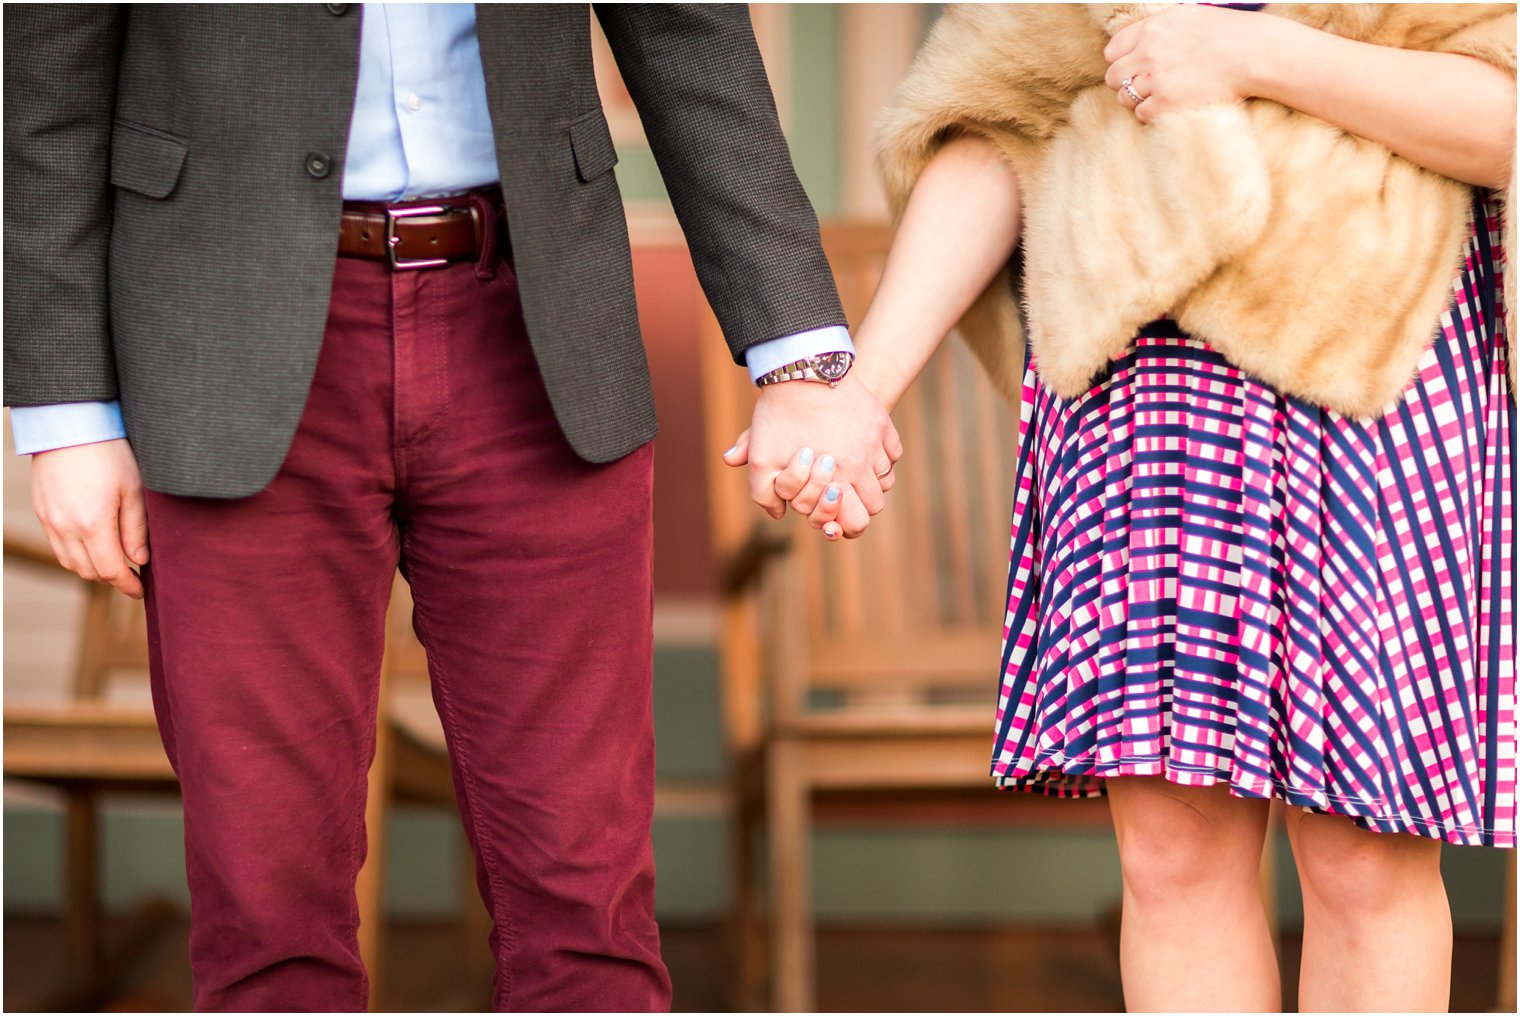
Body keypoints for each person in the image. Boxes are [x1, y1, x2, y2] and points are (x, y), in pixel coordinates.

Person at [4, 5, 900, 1011]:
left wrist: (798, 355)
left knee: (586, 894)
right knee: (266, 912)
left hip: (537, 327)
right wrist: (67, 410)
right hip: (224, 343)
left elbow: (687, 30)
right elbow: (46, 84)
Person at [730, 4, 1516, 1011]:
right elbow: (998, 122)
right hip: (1147, 383)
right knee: (1170, 858)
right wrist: (857, 390)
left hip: (1381, 375)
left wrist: (1252, 53)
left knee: (1365, 863)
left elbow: (1504, 111)